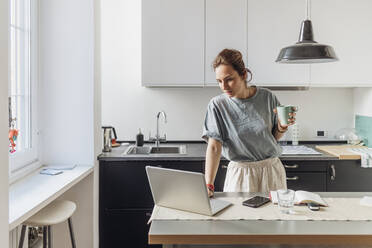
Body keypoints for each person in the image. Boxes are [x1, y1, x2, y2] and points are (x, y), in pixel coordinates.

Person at [202, 48, 296, 197]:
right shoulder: (217, 105)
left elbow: (272, 137)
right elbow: (214, 147)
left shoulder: (267, 97)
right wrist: (209, 184)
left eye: (229, 79)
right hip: (240, 174)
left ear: (243, 74)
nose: (224, 86)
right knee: (239, 218)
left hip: (271, 170)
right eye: (219, 81)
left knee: (274, 219)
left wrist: (282, 127)